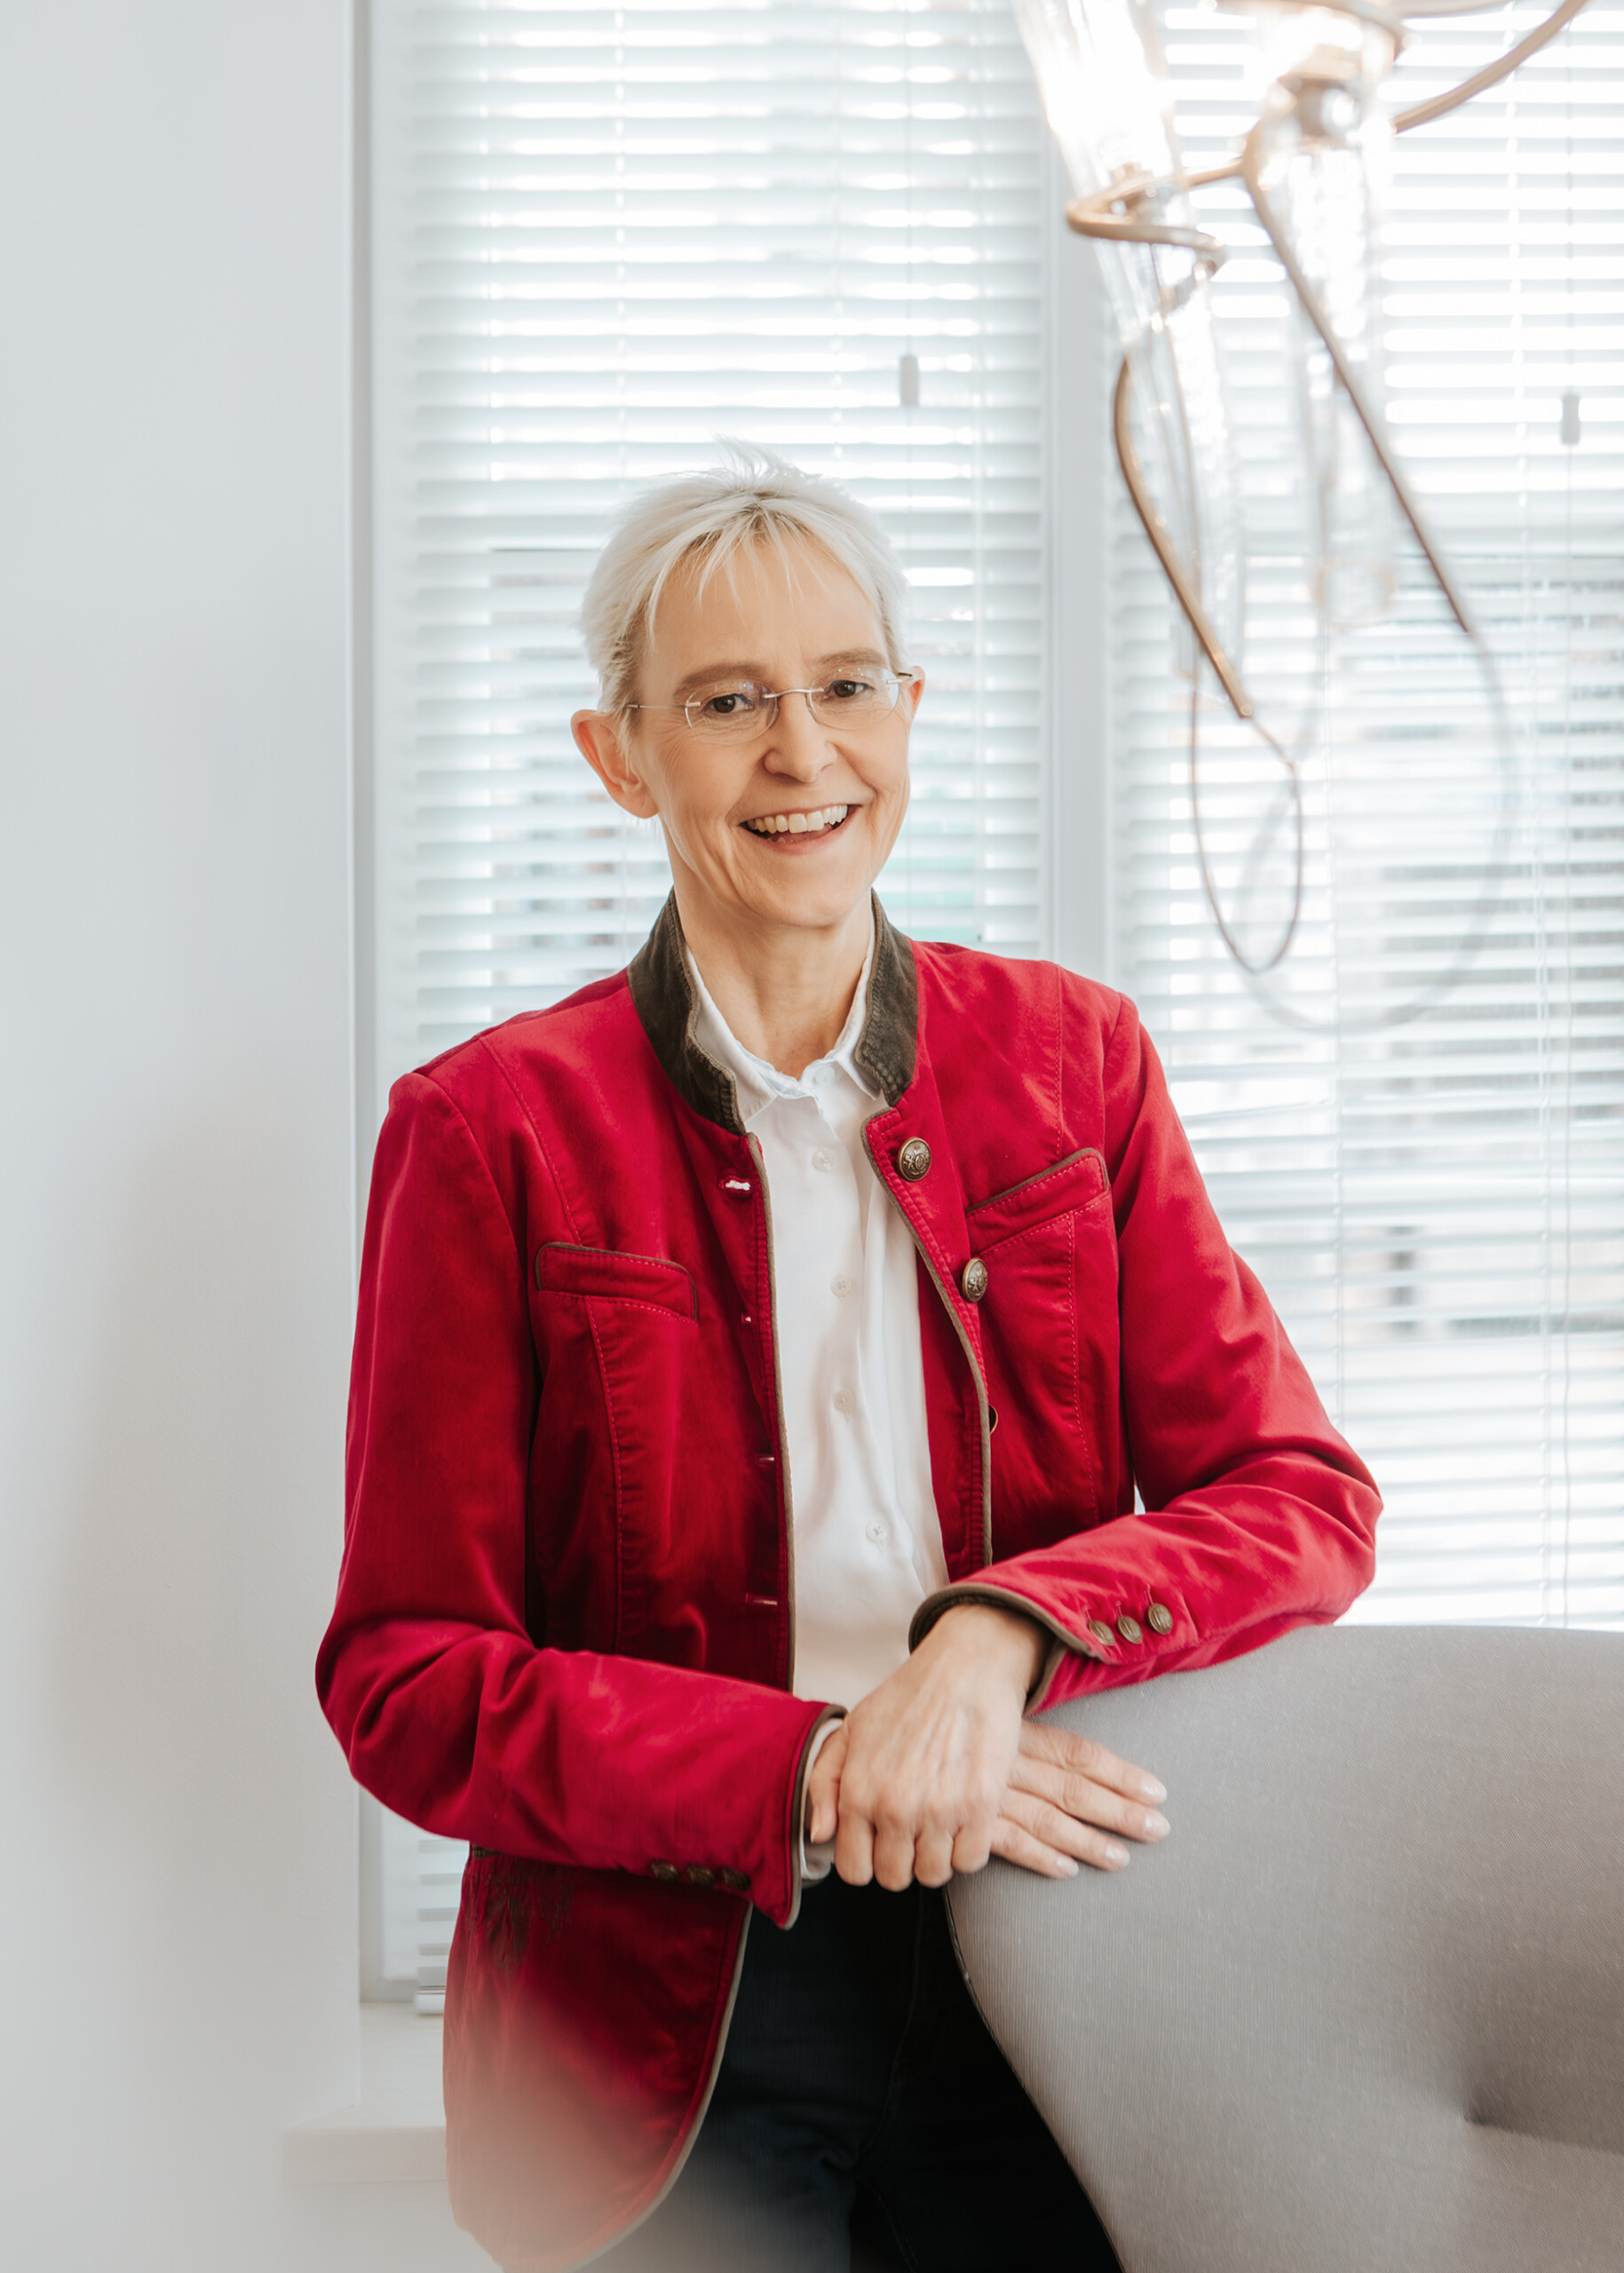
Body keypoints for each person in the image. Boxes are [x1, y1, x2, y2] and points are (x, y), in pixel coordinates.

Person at [316, 447, 1380, 2273]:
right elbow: (409, 1678)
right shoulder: (487, 1129)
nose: (803, 752)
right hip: (661, 2032)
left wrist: (996, 1634)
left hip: (1060, 1968)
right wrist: (813, 1768)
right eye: (728, 703)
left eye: (845, 685)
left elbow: (1301, 1501)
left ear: (912, 710)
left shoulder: (1076, 1060)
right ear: (620, 756)